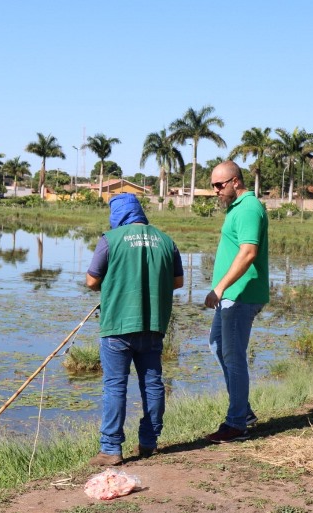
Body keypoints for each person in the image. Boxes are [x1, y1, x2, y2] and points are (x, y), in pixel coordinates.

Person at [86, 193, 184, 465]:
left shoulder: (110, 239)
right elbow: (178, 282)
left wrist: (114, 280)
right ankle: (149, 442)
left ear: (116, 214)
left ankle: (110, 449)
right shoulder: (166, 240)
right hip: (153, 326)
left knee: (115, 386)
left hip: (117, 325)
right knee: (152, 384)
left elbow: (92, 281)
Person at [204, 161, 269, 443]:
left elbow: (248, 252)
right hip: (232, 295)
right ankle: (244, 411)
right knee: (217, 345)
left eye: (219, 185)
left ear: (235, 182)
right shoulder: (236, 209)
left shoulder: (248, 208)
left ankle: (237, 422)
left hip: (239, 295)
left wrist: (220, 288)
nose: (215, 190)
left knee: (233, 356)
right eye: (213, 186)